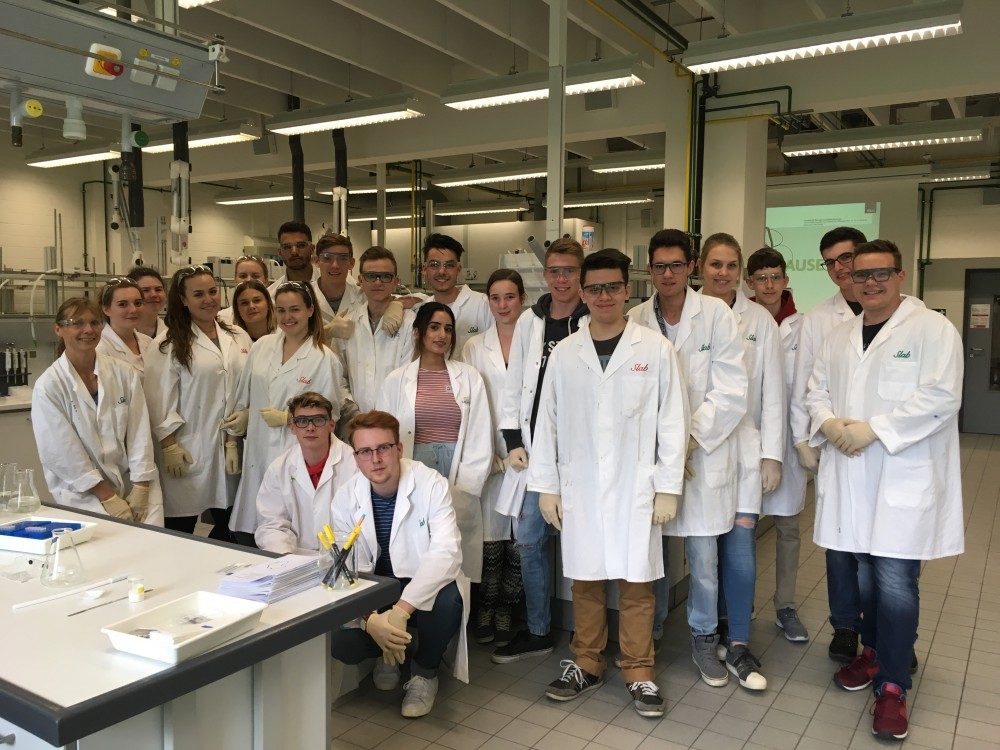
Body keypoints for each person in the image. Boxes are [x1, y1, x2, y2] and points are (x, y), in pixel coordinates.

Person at [805, 240, 963, 741]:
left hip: (899, 477)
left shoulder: (932, 330)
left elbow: (942, 396)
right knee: (863, 577)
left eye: (881, 274)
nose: (870, 283)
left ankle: (893, 685)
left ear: (900, 276)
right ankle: (872, 654)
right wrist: (828, 423)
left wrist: (876, 429)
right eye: (861, 274)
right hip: (851, 478)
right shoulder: (839, 336)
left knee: (894, 584)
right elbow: (815, 390)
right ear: (849, 279)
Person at [529, 248, 688, 717]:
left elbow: (673, 421)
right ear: (582, 292)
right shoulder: (565, 353)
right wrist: (547, 485)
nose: (603, 296)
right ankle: (587, 662)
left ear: (626, 290)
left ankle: (639, 670)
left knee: (636, 583)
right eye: (594, 288)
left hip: (634, 487)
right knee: (586, 580)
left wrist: (668, 487)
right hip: (580, 486)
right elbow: (547, 422)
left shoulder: (654, 349)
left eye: (612, 287)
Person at [628, 229, 747, 688]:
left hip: (700, 457)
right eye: (659, 266)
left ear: (690, 267)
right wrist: (664, 450)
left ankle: (703, 637)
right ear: (650, 270)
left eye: (676, 265)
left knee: (703, 561)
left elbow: (731, 390)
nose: (668, 274)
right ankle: (652, 631)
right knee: (651, 555)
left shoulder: (716, 315)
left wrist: (687, 442)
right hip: (654, 459)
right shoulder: (636, 318)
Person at [330, 410, 467, 718]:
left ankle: (425, 672)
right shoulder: (346, 497)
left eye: (383, 448)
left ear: (399, 449)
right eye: (365, 451)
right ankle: (386, 652)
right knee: (341, 642)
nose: (376, 459)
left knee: (448, 601)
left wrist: (401, 611)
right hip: (375, 586)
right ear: (356, 458)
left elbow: (446, 552)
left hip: (418, 581)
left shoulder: (430, 484)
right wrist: (370, 619)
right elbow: (344, 568)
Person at [493, 237, 588, 664]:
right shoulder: (531, 321)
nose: (561, 279)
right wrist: (513, 441)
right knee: (529, 541)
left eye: (569, 271)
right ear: (545, 275)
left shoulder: (591, 319)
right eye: (554, 271)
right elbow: (515, 384)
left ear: (580, 274)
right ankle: (538, 631)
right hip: (536, 454)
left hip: (580, 453)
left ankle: (589, 635)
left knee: (583, 544)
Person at [696, 234, 784, 691]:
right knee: (703, 553)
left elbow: (773, 391)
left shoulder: (759, 320)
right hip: (700, 450)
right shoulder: (688, 314)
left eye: (731, 265)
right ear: (701, 267)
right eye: (716, 264)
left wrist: (772, 454)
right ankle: (707, 634)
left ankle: (739, 642)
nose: (723, 273)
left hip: (745, 448)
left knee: (741, 549)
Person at [789, 226, 868, 665]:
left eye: (846, 257)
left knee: (883, 551)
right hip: (836, 447)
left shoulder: (906, 314)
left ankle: (884, 631)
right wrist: (805, 438)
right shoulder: (820, 318)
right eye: (830, 262)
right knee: (839, 546)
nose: (839, 268)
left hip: (882, 448)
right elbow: (806, 383)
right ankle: (845, 627)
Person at [377, 302, 492, 583]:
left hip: (457, 472)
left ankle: (452, 606)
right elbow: (383, 435)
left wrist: (465, 488)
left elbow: (480, 435)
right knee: (415, 548)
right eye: (434, 327)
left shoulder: (469, 377)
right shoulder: (396, 380)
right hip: (414, 469)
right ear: (418, 332)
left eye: (448, 329)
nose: (442, 335)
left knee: (452, 552)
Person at [225, 281, 345, 547]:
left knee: (287, 532)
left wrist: (287, 419)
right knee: (248, 531)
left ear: (310, 310)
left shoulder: (324, 359)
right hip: (257, 450)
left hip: (294, 451)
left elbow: (330, 416)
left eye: (295, 309)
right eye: (281, 310)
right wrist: (233, 439)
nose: (287, 317)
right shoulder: (262, 346)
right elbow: (243, 397)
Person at [32, 297, 163, 524]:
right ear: (58, 329)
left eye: (94, 322)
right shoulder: (49, 386)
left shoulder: (123, 373)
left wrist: (141, 486)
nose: (88, 330)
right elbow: (62, 451)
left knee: (152, 543)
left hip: (134, 482)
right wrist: (108, 496)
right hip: (84, 491)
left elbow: (139, 432)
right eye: (77, 323)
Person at [144, 265, 251, 536]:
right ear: (183, 300)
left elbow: (249, 384)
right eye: (198, 294)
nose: (208, 300)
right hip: (187, 448)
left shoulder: (237, 336)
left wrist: (245, 415)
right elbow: (157, 400)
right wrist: (169, 445)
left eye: (213, 292)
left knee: (232, 524)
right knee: (180, 527)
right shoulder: (167, 344)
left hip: (232, 446)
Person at [745, 247, 810, 643]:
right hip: (748, 440)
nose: (769, 285)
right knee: (744, 529)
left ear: (786, 280)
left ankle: (785, 606)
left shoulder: (806, 325)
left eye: (775, 277)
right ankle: (743, 603)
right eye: (761, 278)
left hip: (789, 439)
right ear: (750, 282)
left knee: (788, 528)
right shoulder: (740, 321)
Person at [461, 269, 527, 647]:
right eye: (496, 298)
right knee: (491, 538)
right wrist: (487, 455)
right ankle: (485, 608)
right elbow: (469, 404)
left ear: (522, 299)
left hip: (526, 455)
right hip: (488, 456)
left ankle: (507, 610)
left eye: (510, 297)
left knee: (520, 540)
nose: (503, 305)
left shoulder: (535, 341)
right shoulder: (474, 347)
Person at [254, 392, 357, 553]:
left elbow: (363, 522)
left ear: (331, 425)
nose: (310, 427)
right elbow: (271, 525)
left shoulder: (355, 464)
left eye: (318, 420)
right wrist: (286, 557)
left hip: (345, 557)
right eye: (302, 421)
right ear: (292, 427)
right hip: (295, 557)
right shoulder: (279, 469)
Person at [336, 246, 415, 412]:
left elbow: (410, 378)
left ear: (396, 281)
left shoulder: (410, 323)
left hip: (397, 417)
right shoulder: (347, 323)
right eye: (371, 276)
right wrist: (353, 413)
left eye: (386, 276)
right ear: (360, 280)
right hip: (357, 420)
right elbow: (339, 376)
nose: (378, 282)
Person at [410, 233, 493, 351]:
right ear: (424, 270)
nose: (442, 271)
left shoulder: (484, 304)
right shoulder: (420, 310)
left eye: (449, 265)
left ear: (458, 270)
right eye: (434, 265)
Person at [96, 277, 152, 377]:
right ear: (106, 309)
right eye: (123, 304)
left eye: (138, 303)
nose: (133, 310)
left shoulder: (149, 342)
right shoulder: (100, 349)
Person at [267, 220, 320, 296]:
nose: (294, 252)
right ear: (280, 252)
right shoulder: (271, 295)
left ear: (312, 249)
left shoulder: (330, 283)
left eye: (301, 245)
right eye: (287, 247)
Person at [219, 256, 270, 326]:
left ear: (266, 281)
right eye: (243, 276)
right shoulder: (222, 318)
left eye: (255, 276)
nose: (249, 280)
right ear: (235, 280)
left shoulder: (281, 315)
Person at [127, 266, 166, 339]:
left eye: (158, 289)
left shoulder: (172, 332)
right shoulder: (119, 333)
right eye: (145, 290)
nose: (154, 295)